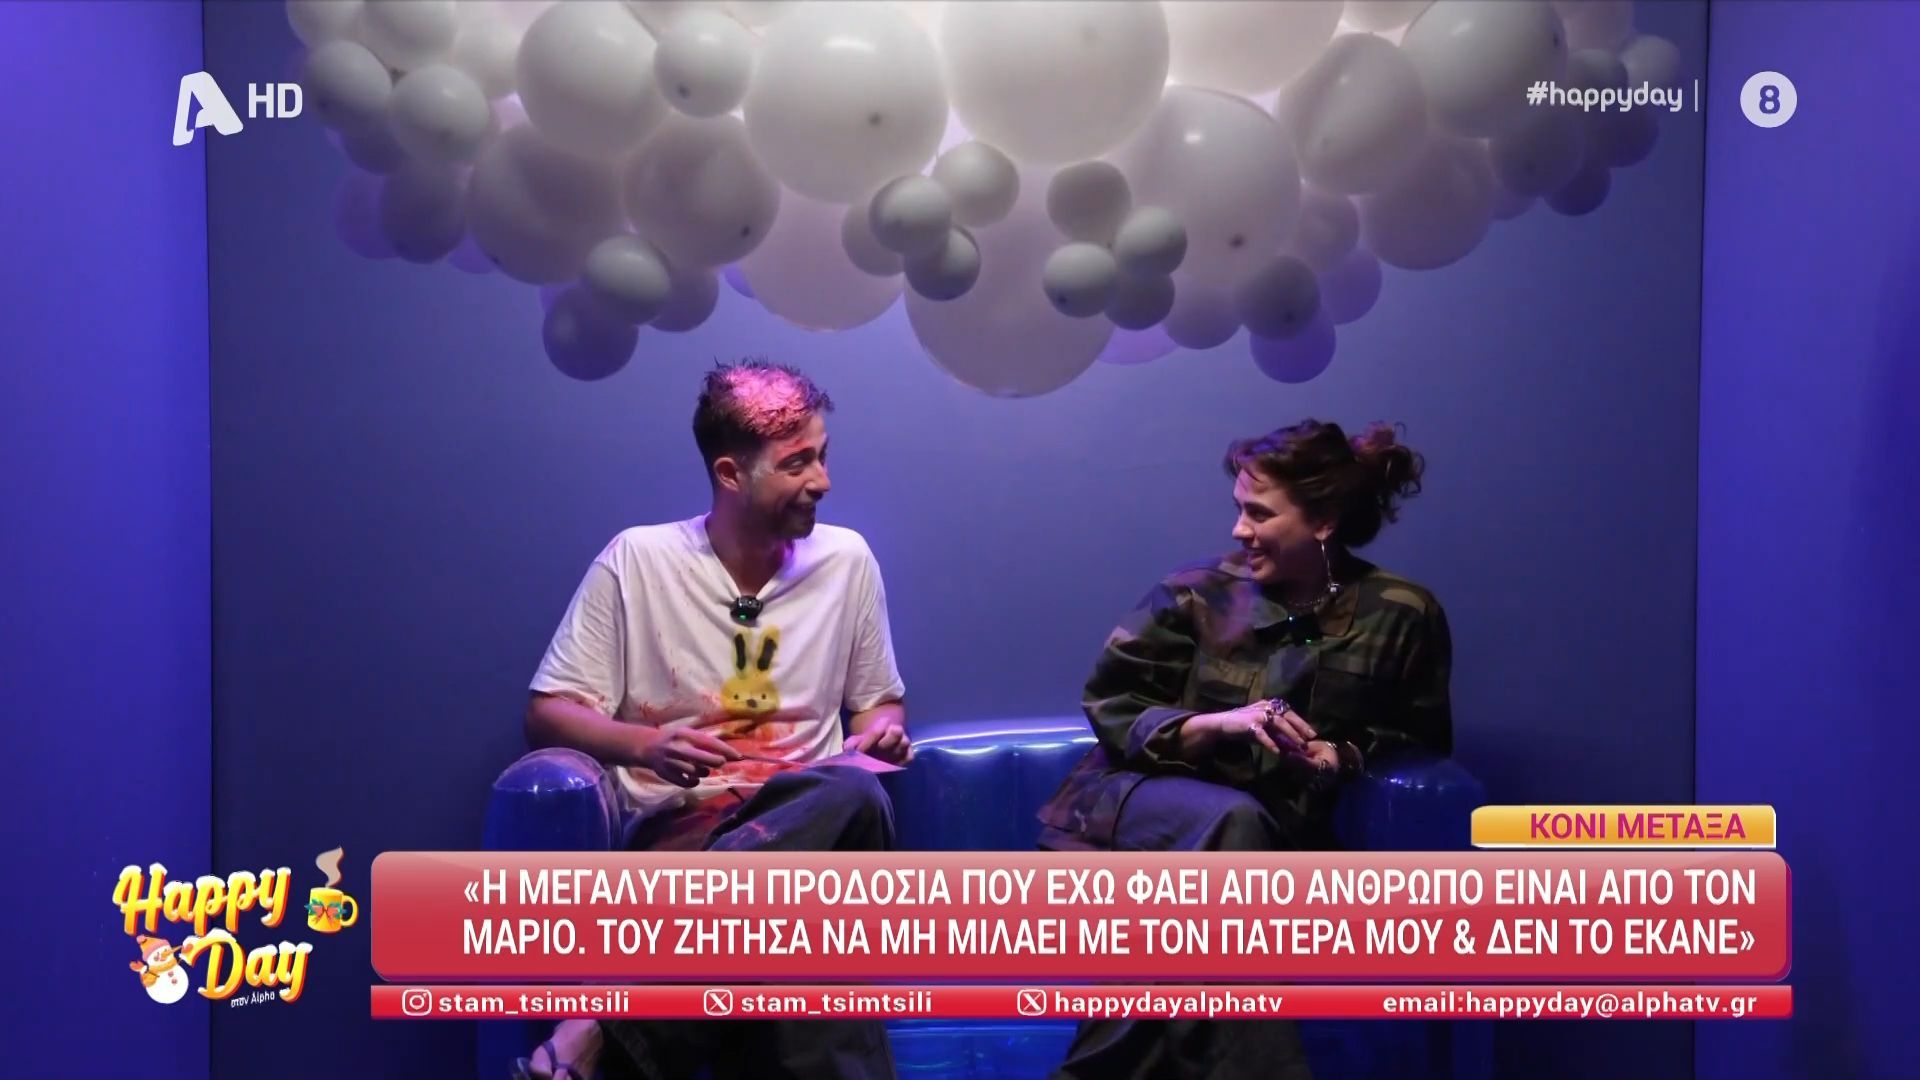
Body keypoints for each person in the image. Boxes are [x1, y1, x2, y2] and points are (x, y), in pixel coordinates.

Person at [518, 358, 910, 1080]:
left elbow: (878, 701)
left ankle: (602, 1018)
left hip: (814, 817)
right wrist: (645, 745)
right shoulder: (637, 560)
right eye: (797, 463)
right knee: (805, 951)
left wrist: (879, 732)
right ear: (731, 474)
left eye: (822, 456)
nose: (822, 480)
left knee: (855, 794)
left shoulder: (848, 561)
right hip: (686, 829)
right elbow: (547, 715)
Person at [1036, 419, 1452, 1080]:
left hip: (1267, 842)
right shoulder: (1194, 592)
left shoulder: (1400, 613)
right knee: (1231, 822)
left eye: (1259, 513)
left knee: (1189, 909)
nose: (1239, 530)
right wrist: (1215, 726)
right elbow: (1113, 707)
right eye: (1239, 510)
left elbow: (1418, 740)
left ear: (1323, 522)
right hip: (1127, 810)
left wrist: (1341, 755)